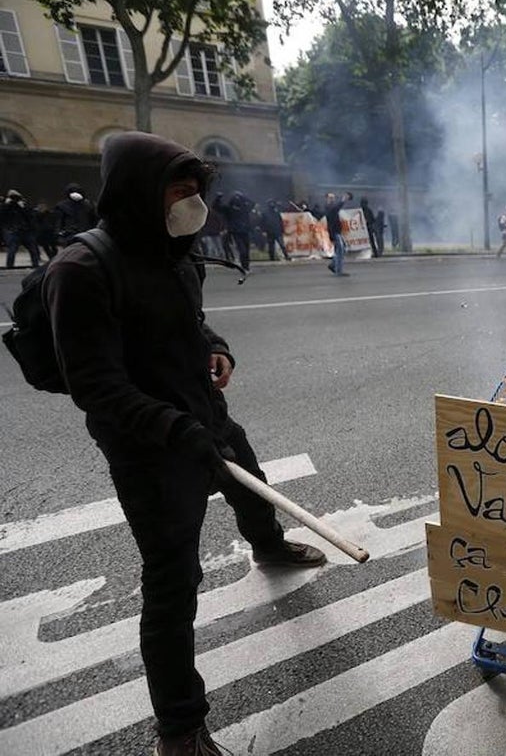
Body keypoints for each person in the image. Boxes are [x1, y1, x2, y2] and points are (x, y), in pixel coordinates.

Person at [42, 132, 326, 756]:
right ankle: (180, 730)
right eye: (179, 191)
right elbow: (95, 387)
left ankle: (269, 546)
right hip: (148, 450)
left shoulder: (174, 250)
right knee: (173, 583)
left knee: (252, 488)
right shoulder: (81, 271)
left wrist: (215, 347)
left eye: (197, 191)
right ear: (139, 193)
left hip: (205, 417)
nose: (192, 204)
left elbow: (188, 322)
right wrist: (176, 431)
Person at [54, 183, 98, 259]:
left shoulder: (88, 205)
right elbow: (59, 221)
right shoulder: (63, 206)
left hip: (80, 234)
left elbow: (93, 220)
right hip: (77, 234)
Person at [2, 189, 38, 269]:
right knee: (12, 250)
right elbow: (2, 216)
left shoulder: (24, 205)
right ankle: (10, 266)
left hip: (25, 231)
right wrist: (6, 205)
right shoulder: (7, 206)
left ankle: (35, 265)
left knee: (33, 249)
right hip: (13, 231)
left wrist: (23, 207)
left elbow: (31, 217)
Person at [219, 191, 255, 270]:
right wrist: (218, 198)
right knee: (242, 250)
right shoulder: (229, 209)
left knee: (246, 250)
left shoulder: (244, 208)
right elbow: (217, 207)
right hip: (236, 232)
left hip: (245, 231)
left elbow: (252, 203)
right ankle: (244, 265)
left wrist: (243, 197)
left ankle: (246, 266)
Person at [321, 191, 352, 275]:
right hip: (334, 232)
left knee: (342, 249)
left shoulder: (330, 207)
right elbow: (336, 208)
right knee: (340, 250)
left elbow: (336, 208)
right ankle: (338, 271)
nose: (332, 199)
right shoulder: (328, 207)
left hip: (336, 231)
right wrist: (343, 200)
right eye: (330, 198)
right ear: (327, 199)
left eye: (333, 198)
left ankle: (333, 264)